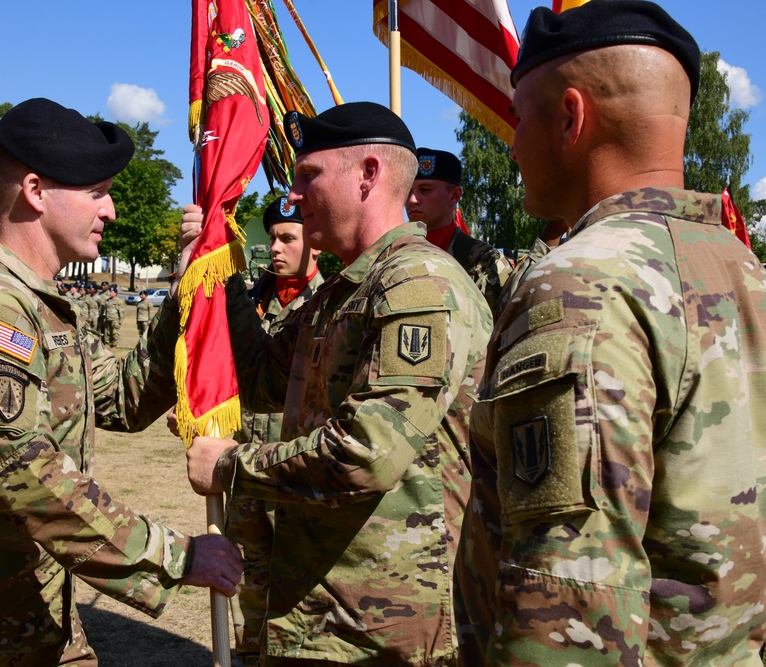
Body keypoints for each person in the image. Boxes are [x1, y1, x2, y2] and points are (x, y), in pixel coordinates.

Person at [454, 2, 766, 664]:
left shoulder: (578, 285)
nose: (510, 146)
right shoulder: (742, 267)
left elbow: (568, 615)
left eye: (518, 118)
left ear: (571, 117)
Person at [0, 98, 242, 666]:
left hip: (33, 620)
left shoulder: (40, 307)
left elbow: (121, 396)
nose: (112, 210)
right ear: (37, 192)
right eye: (97, 192)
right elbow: (27, 474)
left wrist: (184, 296)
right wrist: (175, 557)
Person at [185, 102, 492, 665]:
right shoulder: (342, 290)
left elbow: (367, 452)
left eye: (309, 175)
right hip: (320, 615)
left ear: (369, 174)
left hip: (382, 625)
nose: (294, 195)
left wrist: (231, 465)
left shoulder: (415, 284)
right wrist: (218, 266)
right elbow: (258, 378)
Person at [229, 195, 325, 664]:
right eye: (271, 237)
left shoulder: (329, 302)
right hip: (247, 466)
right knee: (251, 578)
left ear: (316, 244)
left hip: (293, 470)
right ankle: (250, 653)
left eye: (288, 237)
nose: (275, 247)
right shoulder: (251, 299)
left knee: (297, 591)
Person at [407, 148, 512, 315]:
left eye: (425, 190)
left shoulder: (484, 262)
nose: (412, 200)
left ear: (454, 196)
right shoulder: (389, 253)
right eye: (408, 191)